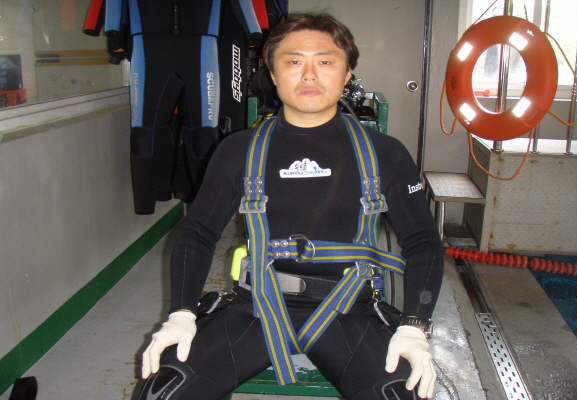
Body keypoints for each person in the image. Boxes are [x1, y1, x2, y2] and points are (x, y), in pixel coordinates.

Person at [137, 12, 444, 400]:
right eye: (294, 61)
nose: (310, 75)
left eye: (326, 61)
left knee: (403, 394)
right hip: (256, 309)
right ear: (273, 73)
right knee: (163, 392)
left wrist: (415, 326)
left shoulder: (385, 154)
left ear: (347, 73)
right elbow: (198, 233)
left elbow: (423, 243)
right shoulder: (238, 151)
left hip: (348, 311)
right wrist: (181, 313)